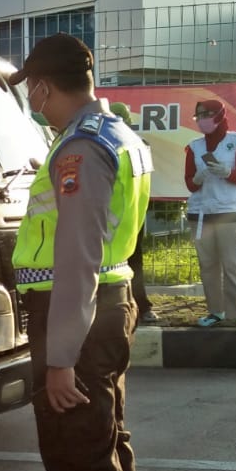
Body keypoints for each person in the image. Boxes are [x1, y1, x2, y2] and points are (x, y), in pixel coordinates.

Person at [8, 34, 151, 471]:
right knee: (105, 435)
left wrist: (60, 358)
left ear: (43, 85)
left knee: (77, 450)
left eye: (32, 91)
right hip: (110, 304)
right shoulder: (122, 135)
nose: (33, 103)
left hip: (78, 316)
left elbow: (76, 261)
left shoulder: (80, 151)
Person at [185, 99, 236, 333]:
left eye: (206, 114)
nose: (202, 119)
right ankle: (216, 311)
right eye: (198, 116)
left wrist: (227, 172)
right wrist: (198, 179)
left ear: (219, 115)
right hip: (201, 213)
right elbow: (190, 184)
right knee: (208, 266)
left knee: (233, 265)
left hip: (230, 212)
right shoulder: (194, 147)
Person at [109, 103, 157, 325]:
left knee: (134, 262)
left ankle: (142, 306)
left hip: (132, 214)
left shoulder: (140, 145)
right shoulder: (99, 144)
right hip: (109, 216)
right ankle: (116, 308)